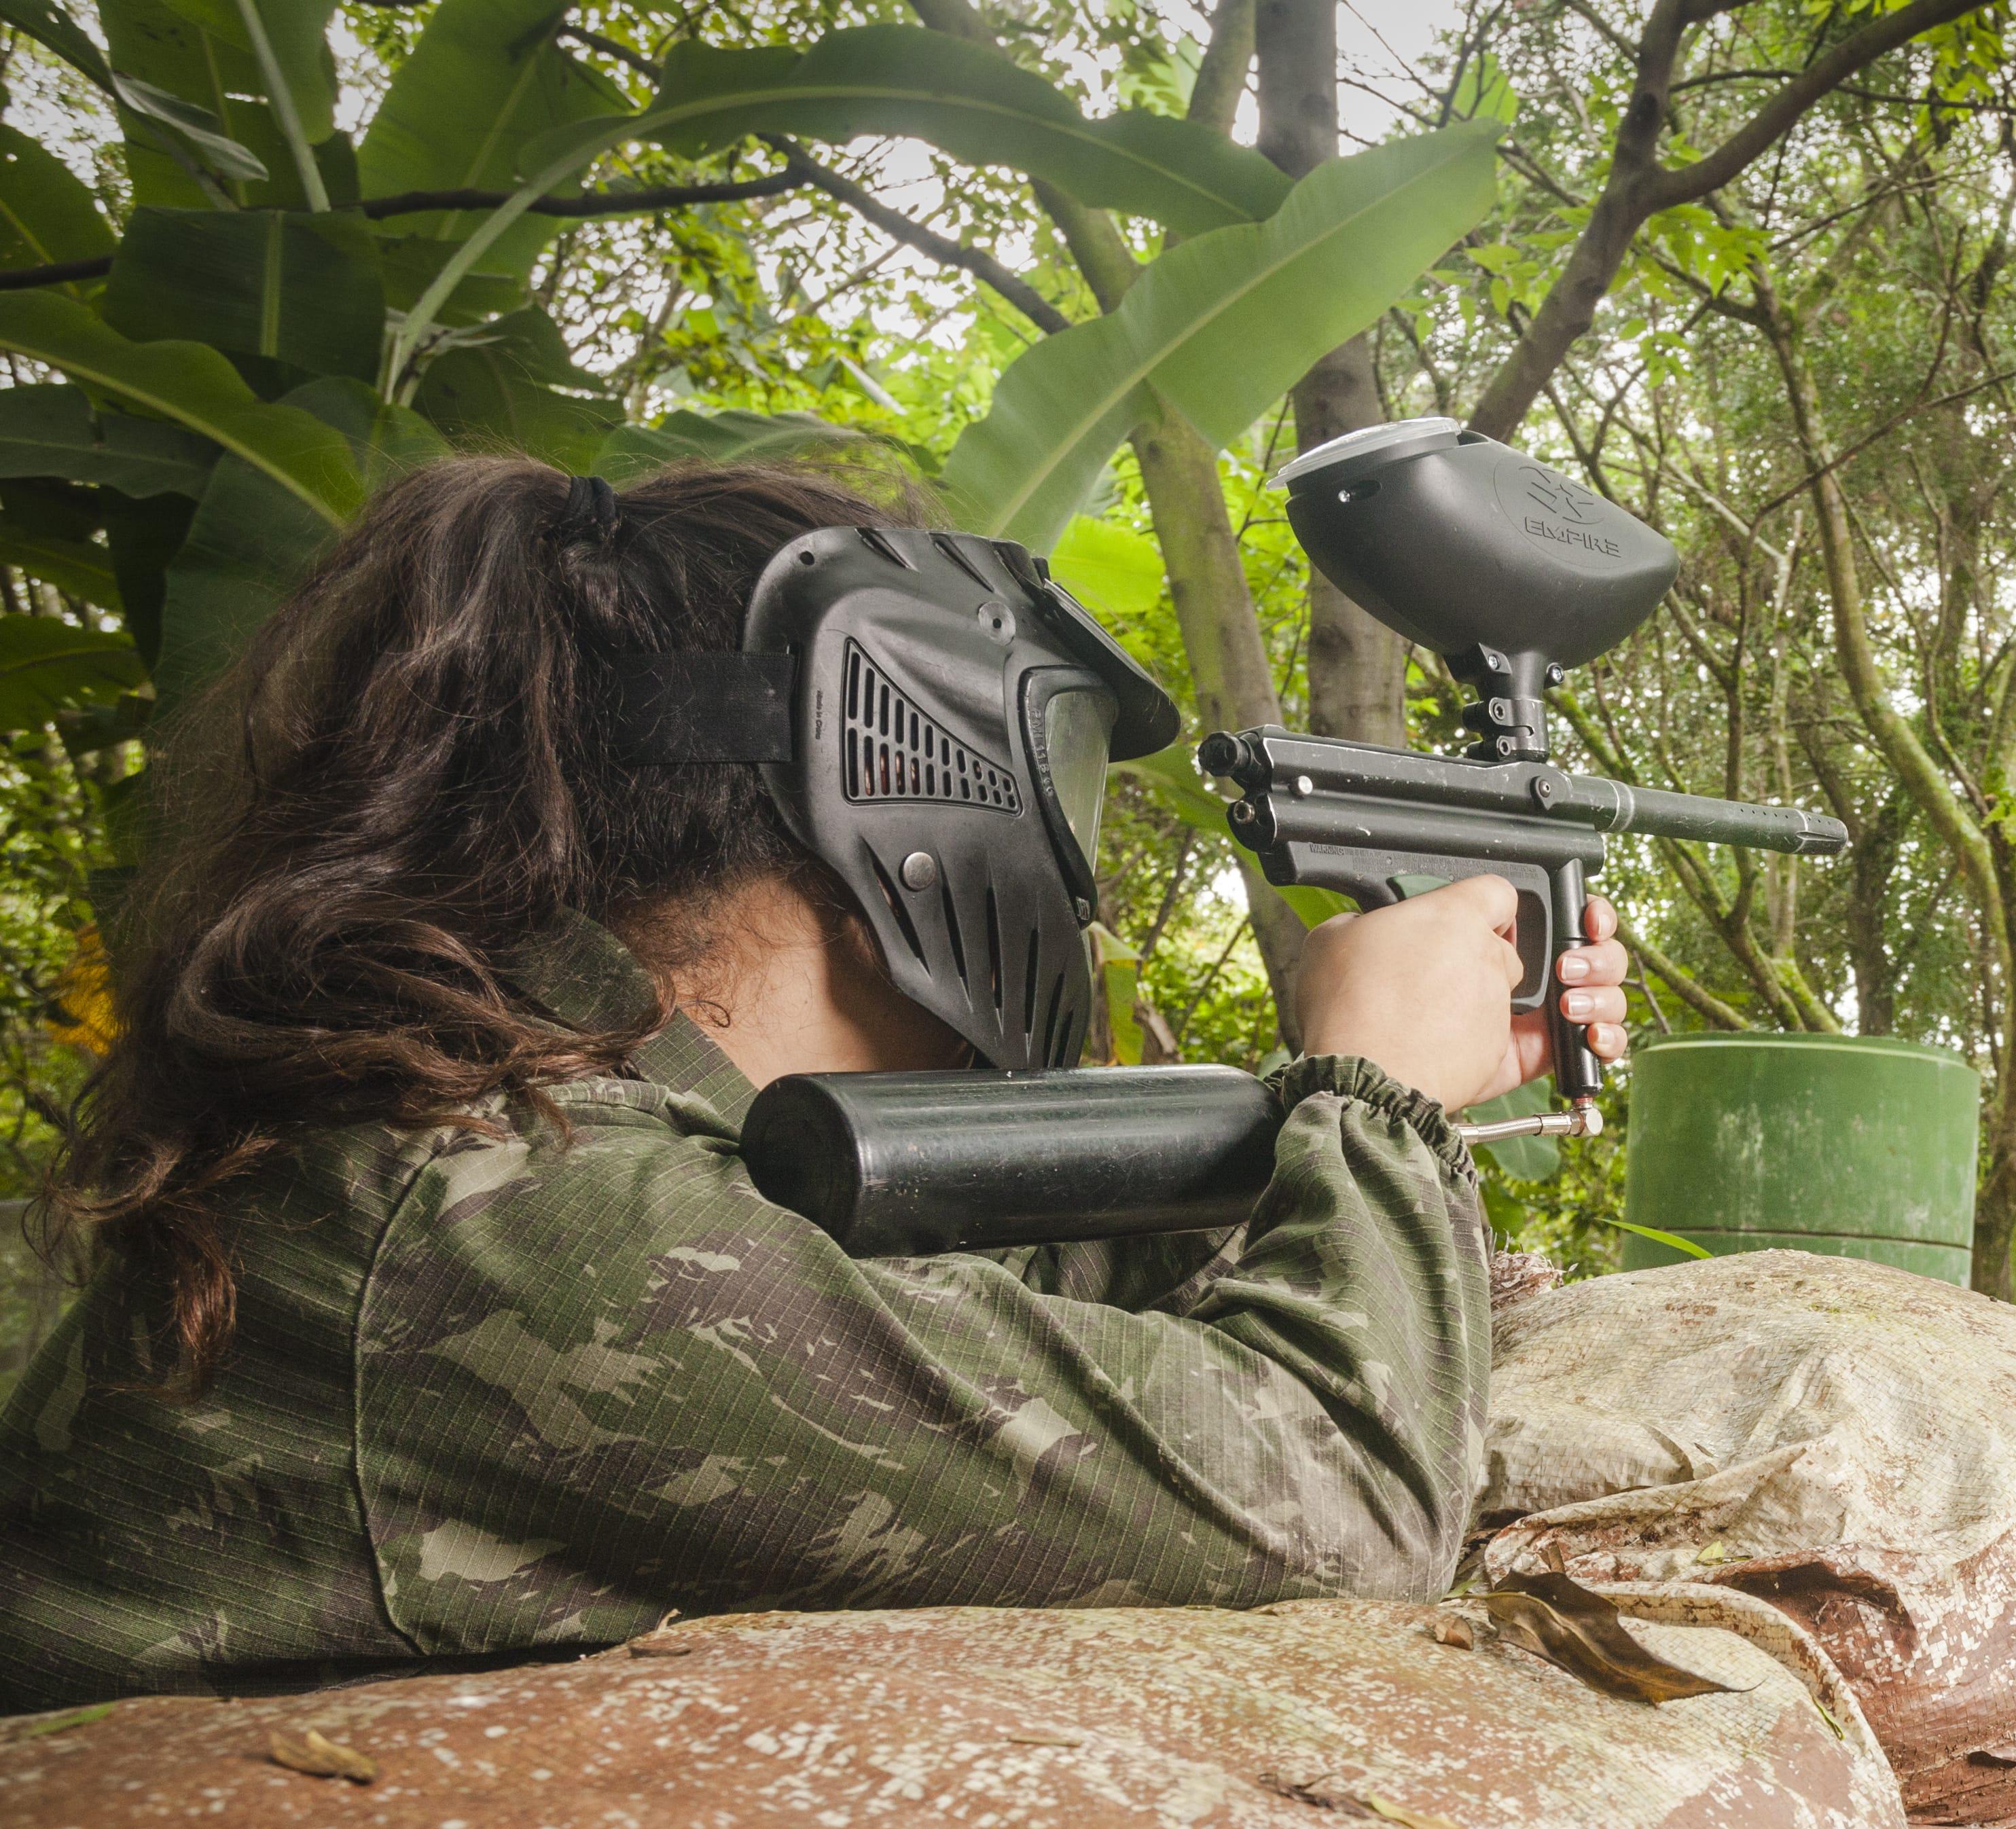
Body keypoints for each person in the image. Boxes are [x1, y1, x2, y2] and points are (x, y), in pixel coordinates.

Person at [1, 458, 1627, 1706]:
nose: (1084, 887)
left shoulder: (540, 1125)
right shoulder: (491, 1210)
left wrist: (1376, 1110)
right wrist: (1376, 1103)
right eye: (1044, 782)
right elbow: (1340, 1511)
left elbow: (1036, 1327)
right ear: (907, 795)